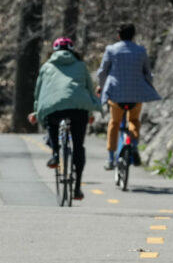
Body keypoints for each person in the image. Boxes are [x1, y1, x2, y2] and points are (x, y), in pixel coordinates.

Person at [29, 37, 100, 201]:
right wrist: (89, 113)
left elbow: (40, 93)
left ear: (53, 52)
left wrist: (35, 111)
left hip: (54, 110)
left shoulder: (46, 67)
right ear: (72, 50)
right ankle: (77, 188)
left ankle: (55, 154)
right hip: (78, 110)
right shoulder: (81, 65)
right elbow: (89, 90)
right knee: (78, 146)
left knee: (51, 122)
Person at [96, 22, 161, 170]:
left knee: (114, 122)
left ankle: (111, 158)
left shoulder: (111, 50)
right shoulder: (141, 50)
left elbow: (102, 72)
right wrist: (147, 85)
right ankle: (134, 145)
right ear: (133, 35)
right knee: (133, 120)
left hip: (116, 94)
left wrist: (101, 86)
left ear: (118, 36)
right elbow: (148, 74)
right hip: (136, 94)